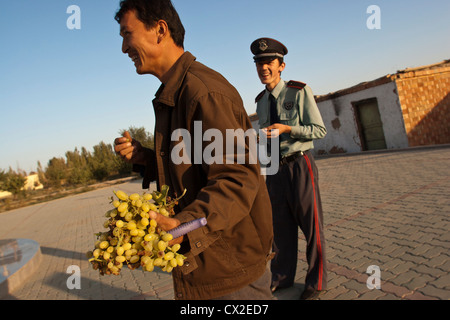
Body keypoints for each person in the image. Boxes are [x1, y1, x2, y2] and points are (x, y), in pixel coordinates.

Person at [113, 0, 274, 300]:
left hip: (230, 271)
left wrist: (185, 225)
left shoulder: (203, 92)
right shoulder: (175, 92)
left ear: (160, 29)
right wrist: (146, 158)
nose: (124, 47)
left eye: (126, 34)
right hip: (206, 265)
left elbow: (237, 179)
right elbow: (193, 163)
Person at [251, 37, 328, 300]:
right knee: (279, 228)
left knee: (311, 225)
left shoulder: (298, 91)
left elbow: (319, 130)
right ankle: (282, 277)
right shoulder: (260, 101)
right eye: (259, 63)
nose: (264, 68)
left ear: (281, 65)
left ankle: (315, 282)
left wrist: (287, 129)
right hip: (274, 169)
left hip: (299, 165)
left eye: (269, 62)